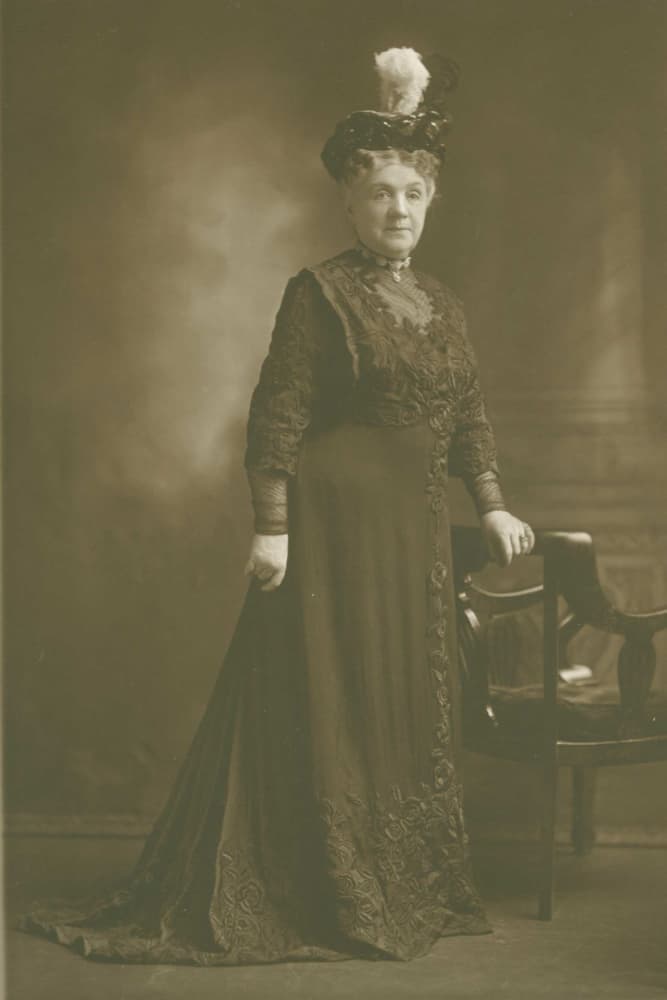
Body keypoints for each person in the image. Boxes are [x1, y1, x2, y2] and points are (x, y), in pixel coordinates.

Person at [17, 46, 535, 965]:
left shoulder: (444, 307)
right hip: (330, 536)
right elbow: (278, 416)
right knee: (325, 699)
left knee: (401, 698)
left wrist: (490, 505)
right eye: (380, 193)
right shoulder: (319, 294)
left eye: (413, 194)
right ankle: (328, 886)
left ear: (431, 202)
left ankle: (403, 881)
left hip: (407, 538)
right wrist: (271, 528)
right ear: (348, 200)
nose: (398, 210)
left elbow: (467, 413)